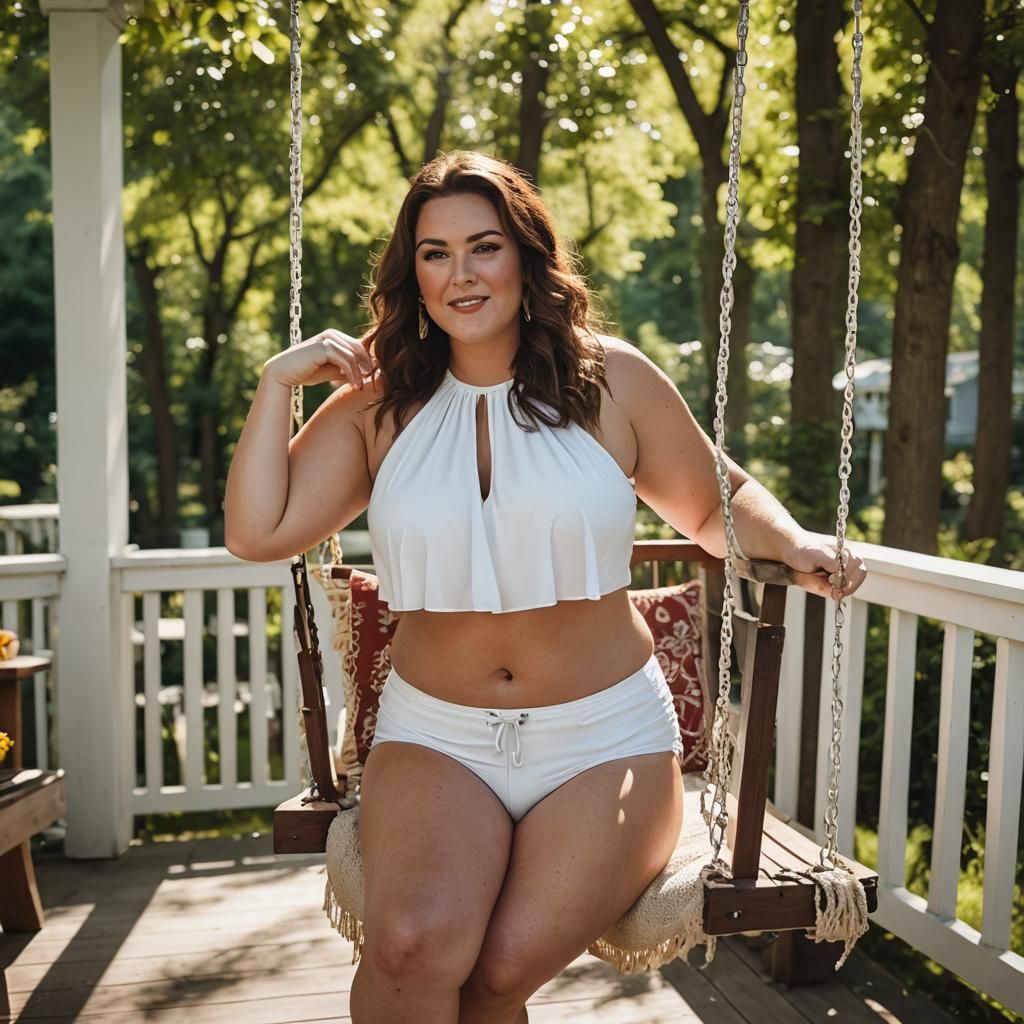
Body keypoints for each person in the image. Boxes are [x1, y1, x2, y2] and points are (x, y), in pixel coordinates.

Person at [224, 150, 866, 1024]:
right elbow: (256, 531)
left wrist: (795, 542)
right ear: (411, 273)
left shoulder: (613, 383)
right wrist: (276, 385)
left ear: (527, 255)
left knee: (495, 976)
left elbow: (721, 505)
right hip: (436, 736)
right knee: (413, 949)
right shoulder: (382, 406)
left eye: (483, 246)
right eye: (434, 252)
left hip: (603, 740)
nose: (461, 274)